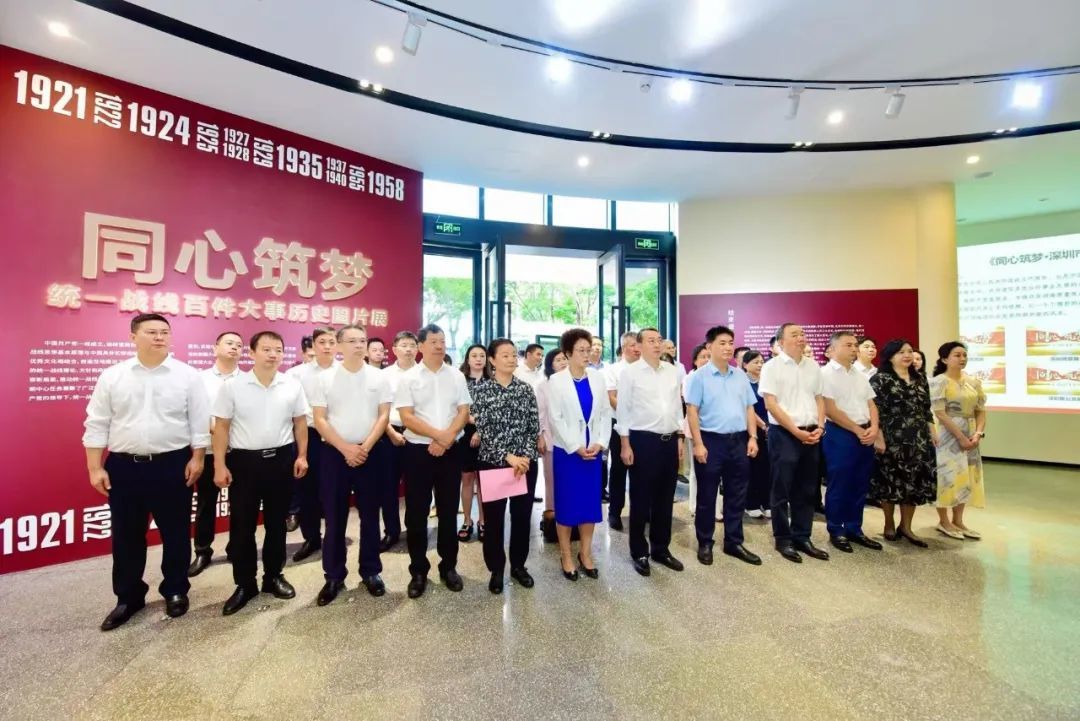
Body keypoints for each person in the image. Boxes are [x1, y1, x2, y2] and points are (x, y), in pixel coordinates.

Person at [84, 314, 210, 630]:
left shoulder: (187, 375)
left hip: (172, 464)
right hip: (124, 466)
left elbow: (199, 422)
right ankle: (128, 597)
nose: (159, 337)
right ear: (133, 337)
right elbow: (97, 422)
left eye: (164, 332)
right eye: (151, 332)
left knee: (176, 533)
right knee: (126, 535)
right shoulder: (113, 376)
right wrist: (94, 467)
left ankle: (176, 589)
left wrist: (198, 458)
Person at [212, 331, 309, 616]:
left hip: (282, 460)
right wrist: (219, 464)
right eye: (266, 349)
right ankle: (245, 584)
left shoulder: (291, 385)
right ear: (252, 353)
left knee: (277, 524)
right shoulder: (233, 386)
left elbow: (300, 423)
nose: (273, 354)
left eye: (278, 349)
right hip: (244, 463)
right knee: (242, 526)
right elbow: (221, 427)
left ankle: (274, 576)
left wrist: (302, 455)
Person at [310, 325, 392, 605]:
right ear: (339, 345)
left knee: (370, 515)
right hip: (335, 454)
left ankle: (371, 571)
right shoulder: (324, 378)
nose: (359, 345)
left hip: (370, 452)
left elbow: (383, 416)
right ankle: (334, 576)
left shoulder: (379, 377)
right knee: (334, 518)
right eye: (352, 341)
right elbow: (320, 419)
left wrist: (364, 448)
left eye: (362, 340)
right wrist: (346, 448)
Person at [396, 324, 472, 598]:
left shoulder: (456, 376)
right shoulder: (408, 377)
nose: (440, 345)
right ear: (421, 346)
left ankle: (448, 566)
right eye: (434, 341)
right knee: (416, 513)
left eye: (442, 341)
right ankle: (418, 570)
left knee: (449, 511)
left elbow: (463, 411)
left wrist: (447, 439)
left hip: (450, 451)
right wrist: (439, 436)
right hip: (418, 452)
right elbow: (407, 417)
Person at [685, 326, 763, 567]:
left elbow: (749, 407)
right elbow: (692, 411)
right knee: (707, 495)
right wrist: (698, 444)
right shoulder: (699, 377)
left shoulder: (739, 375)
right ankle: (705, 542)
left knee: (736, 494)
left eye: (731, 342)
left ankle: (733, 541)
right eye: (722, 343)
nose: (728, 347)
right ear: (709, 346)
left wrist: (753, 437)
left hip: (738, 440)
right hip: (711, 441)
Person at [471, 339, 541, 593]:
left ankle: (519, 566)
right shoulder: (481, 390)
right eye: (505, 355)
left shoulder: (525, 389)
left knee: (522, 517)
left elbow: (533, 426)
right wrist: (507, 456)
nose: (511, 359)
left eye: (513, 355)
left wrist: (524, 457)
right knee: (494, 519)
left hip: (524, 465)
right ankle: (496, 569)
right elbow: (484, 429)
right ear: (492, 360)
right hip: (493, 464)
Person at [758, 323, 830, 563]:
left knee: (808, 488)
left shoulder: (813, 366)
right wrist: (795, 431)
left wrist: (820, 426)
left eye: (802, 334)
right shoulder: (772, 366)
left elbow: (819, 398)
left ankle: (802, 536)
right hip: (784, 434)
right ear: (781, 342)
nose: (801, 338)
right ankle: (783, 539)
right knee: (782, 488)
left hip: (812, 433)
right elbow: (771, 404)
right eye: (794, 334)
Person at [618, 328, 685, 577]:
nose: (657, 344)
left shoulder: (672, 371)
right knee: (641, 499)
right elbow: (623, 410)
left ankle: (661, 548)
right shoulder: (630, 372)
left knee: (665, 498)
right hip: (642, 441)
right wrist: (625, 444)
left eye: (659, 340)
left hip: (669, 440)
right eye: (651, 341)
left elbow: (677, 407)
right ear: (639, 345)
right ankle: (639, 552)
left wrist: (679, 437)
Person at [548, 329, 610, 580]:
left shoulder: (597, 378)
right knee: (567, 504)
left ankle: (586, 553)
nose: (587, 354)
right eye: (581, 350)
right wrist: (575, 446)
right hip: (568, 453)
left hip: (592, 451)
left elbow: (604, 413)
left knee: (589, 505)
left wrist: (600, 442)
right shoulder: (557, 381)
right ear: (568, 353)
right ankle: (566, 555)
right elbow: (555, 419)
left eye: (589, 349)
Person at [868, 339, 936, 547]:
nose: (907, 355)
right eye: (901, 352)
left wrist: (932, 431)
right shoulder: (880, 379)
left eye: (909, 351)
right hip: (892, 437)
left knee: (913, 483)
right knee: (889, 481)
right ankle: (889, 523)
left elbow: (926, 408)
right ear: (890, 356)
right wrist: (878, 436)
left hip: (918, 439)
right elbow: (874, 410)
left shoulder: (919, 378)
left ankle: (906, 526)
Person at [820, 332, 883, 553]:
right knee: (840, 483)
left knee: (860, 483)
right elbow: (830, 409)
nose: (854, 349)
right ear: (833, 348)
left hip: (865, 432)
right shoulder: (825, 374)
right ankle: (836, 529)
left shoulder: (859, 374)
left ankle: (854, 528)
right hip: (840, 433)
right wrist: (858, 430)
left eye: (856, 345)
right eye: (848, 345)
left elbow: (871, 404)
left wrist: (874, 428)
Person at [188, 330, 243, 577]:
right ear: (215, 348)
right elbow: (194, 413)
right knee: (206, 504)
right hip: (209, 450)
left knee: (240, 504)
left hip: (240, 450)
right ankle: (202, 551)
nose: (234, 348)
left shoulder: (248, 380)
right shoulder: (199, 380)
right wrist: (216, 430)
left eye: (239, 345)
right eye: (229, 343)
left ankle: (236, 548)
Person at [284, 326, 337, 561]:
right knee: (307, 491)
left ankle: (334, 539)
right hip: (308, 436)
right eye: (322, 342)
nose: (327, 346)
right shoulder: (296, 374)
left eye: (331, 342)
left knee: (334, 491)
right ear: (313, 345)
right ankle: (311, 538)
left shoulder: (345, 372)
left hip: (337, 437)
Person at [930, 341, 987, 540]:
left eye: (964, 355)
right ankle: (943, 521)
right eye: (957, 355)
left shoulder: (973, 382)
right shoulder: (939, 381)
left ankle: (958, 520)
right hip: (948, 434)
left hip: (970, 432)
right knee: (947, 475)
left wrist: (978, 433)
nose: (962, 358)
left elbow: (981, 410)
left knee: (966, 476)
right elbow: (940, 413)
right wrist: (961, 437)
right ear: (945, 359)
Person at [378, 330, 418, 551]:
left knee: (416, 487)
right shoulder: (384, 376)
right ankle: (391, 531)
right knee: (388, 487)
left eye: (412, 345)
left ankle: (414, 530)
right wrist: (391, 433)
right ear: (394, 349)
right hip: (389, 434)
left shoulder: (424, 373)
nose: (409, 349)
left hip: (418, 435)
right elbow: (377, 409)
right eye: (404, 345)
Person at [605, 330, 641, 529]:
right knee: (619, 469)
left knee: (642, 470)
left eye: (639, 345)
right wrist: (629, 413)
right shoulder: (614, 370)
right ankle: (614, 512)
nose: (637, 349)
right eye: (633, 345)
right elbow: (612, 397)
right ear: (624, 347)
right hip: (619, 424)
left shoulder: (645, 369)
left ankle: (641, 511)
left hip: (642, 426)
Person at [457, 344, 490, 542]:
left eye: (482, 356)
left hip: (487, 435)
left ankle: (483, 521)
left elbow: (495, 412)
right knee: (467, 479)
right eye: (474, 356)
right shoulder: (459, 380)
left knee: (484, 481)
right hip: (463, 433)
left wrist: (480, 429)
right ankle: (467, 520)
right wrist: (468, 418)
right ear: (467, 359)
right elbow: (454, 406)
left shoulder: (493, 381)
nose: (478, 359)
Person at [537, 349, 568, 524]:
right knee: (551, 480)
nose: (563, 362)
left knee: (568, 480)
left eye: (565, 359)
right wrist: (540, 436)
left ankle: (569, 516)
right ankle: (551, 518)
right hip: (551, 439)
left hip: (572, 442)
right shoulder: (544, 386)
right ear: (550, 365)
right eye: (558, 360)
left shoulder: (574, 383)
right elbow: (540, 414)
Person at [740, 351, 771, 519]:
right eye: (755, 362)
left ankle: (767, 502)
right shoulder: (742, 381)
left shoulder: (766, 380)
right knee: (753, 467)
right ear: (745, 364)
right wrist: (763, 425)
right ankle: (751, 503)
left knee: (768, 467)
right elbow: (747, 407)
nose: (760, 365)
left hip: (770, 428)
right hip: (751, 429)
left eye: (761, 362)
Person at [683, 343, 713, 517]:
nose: (706, 360)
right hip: (695, 427)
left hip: (713, 427)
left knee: (713, 470)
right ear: (695, 360)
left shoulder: (715, 376)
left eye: (709, 357)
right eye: (703, 357)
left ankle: (714, 507)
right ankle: (694, 505)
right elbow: (691, 404)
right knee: (696, 469)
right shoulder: (690, 378)